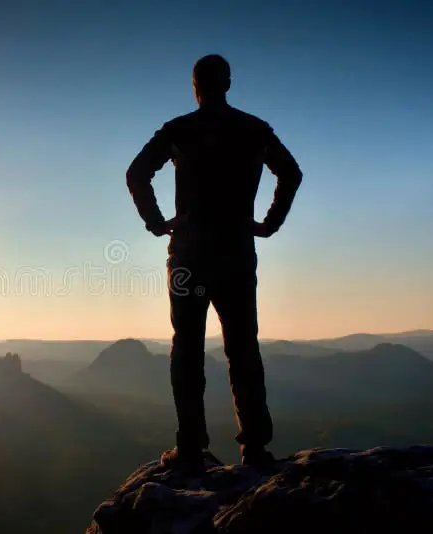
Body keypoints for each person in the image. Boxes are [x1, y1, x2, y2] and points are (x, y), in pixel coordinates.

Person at [126, 54, 303, 473]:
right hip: (236, 253)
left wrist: (155, 222)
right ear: (228, 83)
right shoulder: (255, 131)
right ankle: (255, 449)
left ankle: (189, 449)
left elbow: (137, 173)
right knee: (242, 347)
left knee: (187, 347)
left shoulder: (179, 131)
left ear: (195, 86)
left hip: (189, 254)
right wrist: (269, 224)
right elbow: (290, 173)